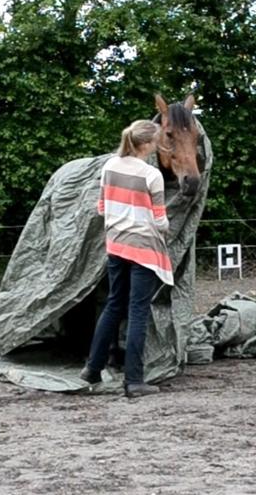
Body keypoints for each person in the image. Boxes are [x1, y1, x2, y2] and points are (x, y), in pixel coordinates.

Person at [80, 120, 174, 398]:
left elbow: (101, 208)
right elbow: (160, 223)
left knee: (113, 305)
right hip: (143, 249)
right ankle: (134, 380)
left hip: (116, 245)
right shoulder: (151, 175)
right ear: (147, 144)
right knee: (138, 312)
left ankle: (92, 368)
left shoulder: (109, 167)